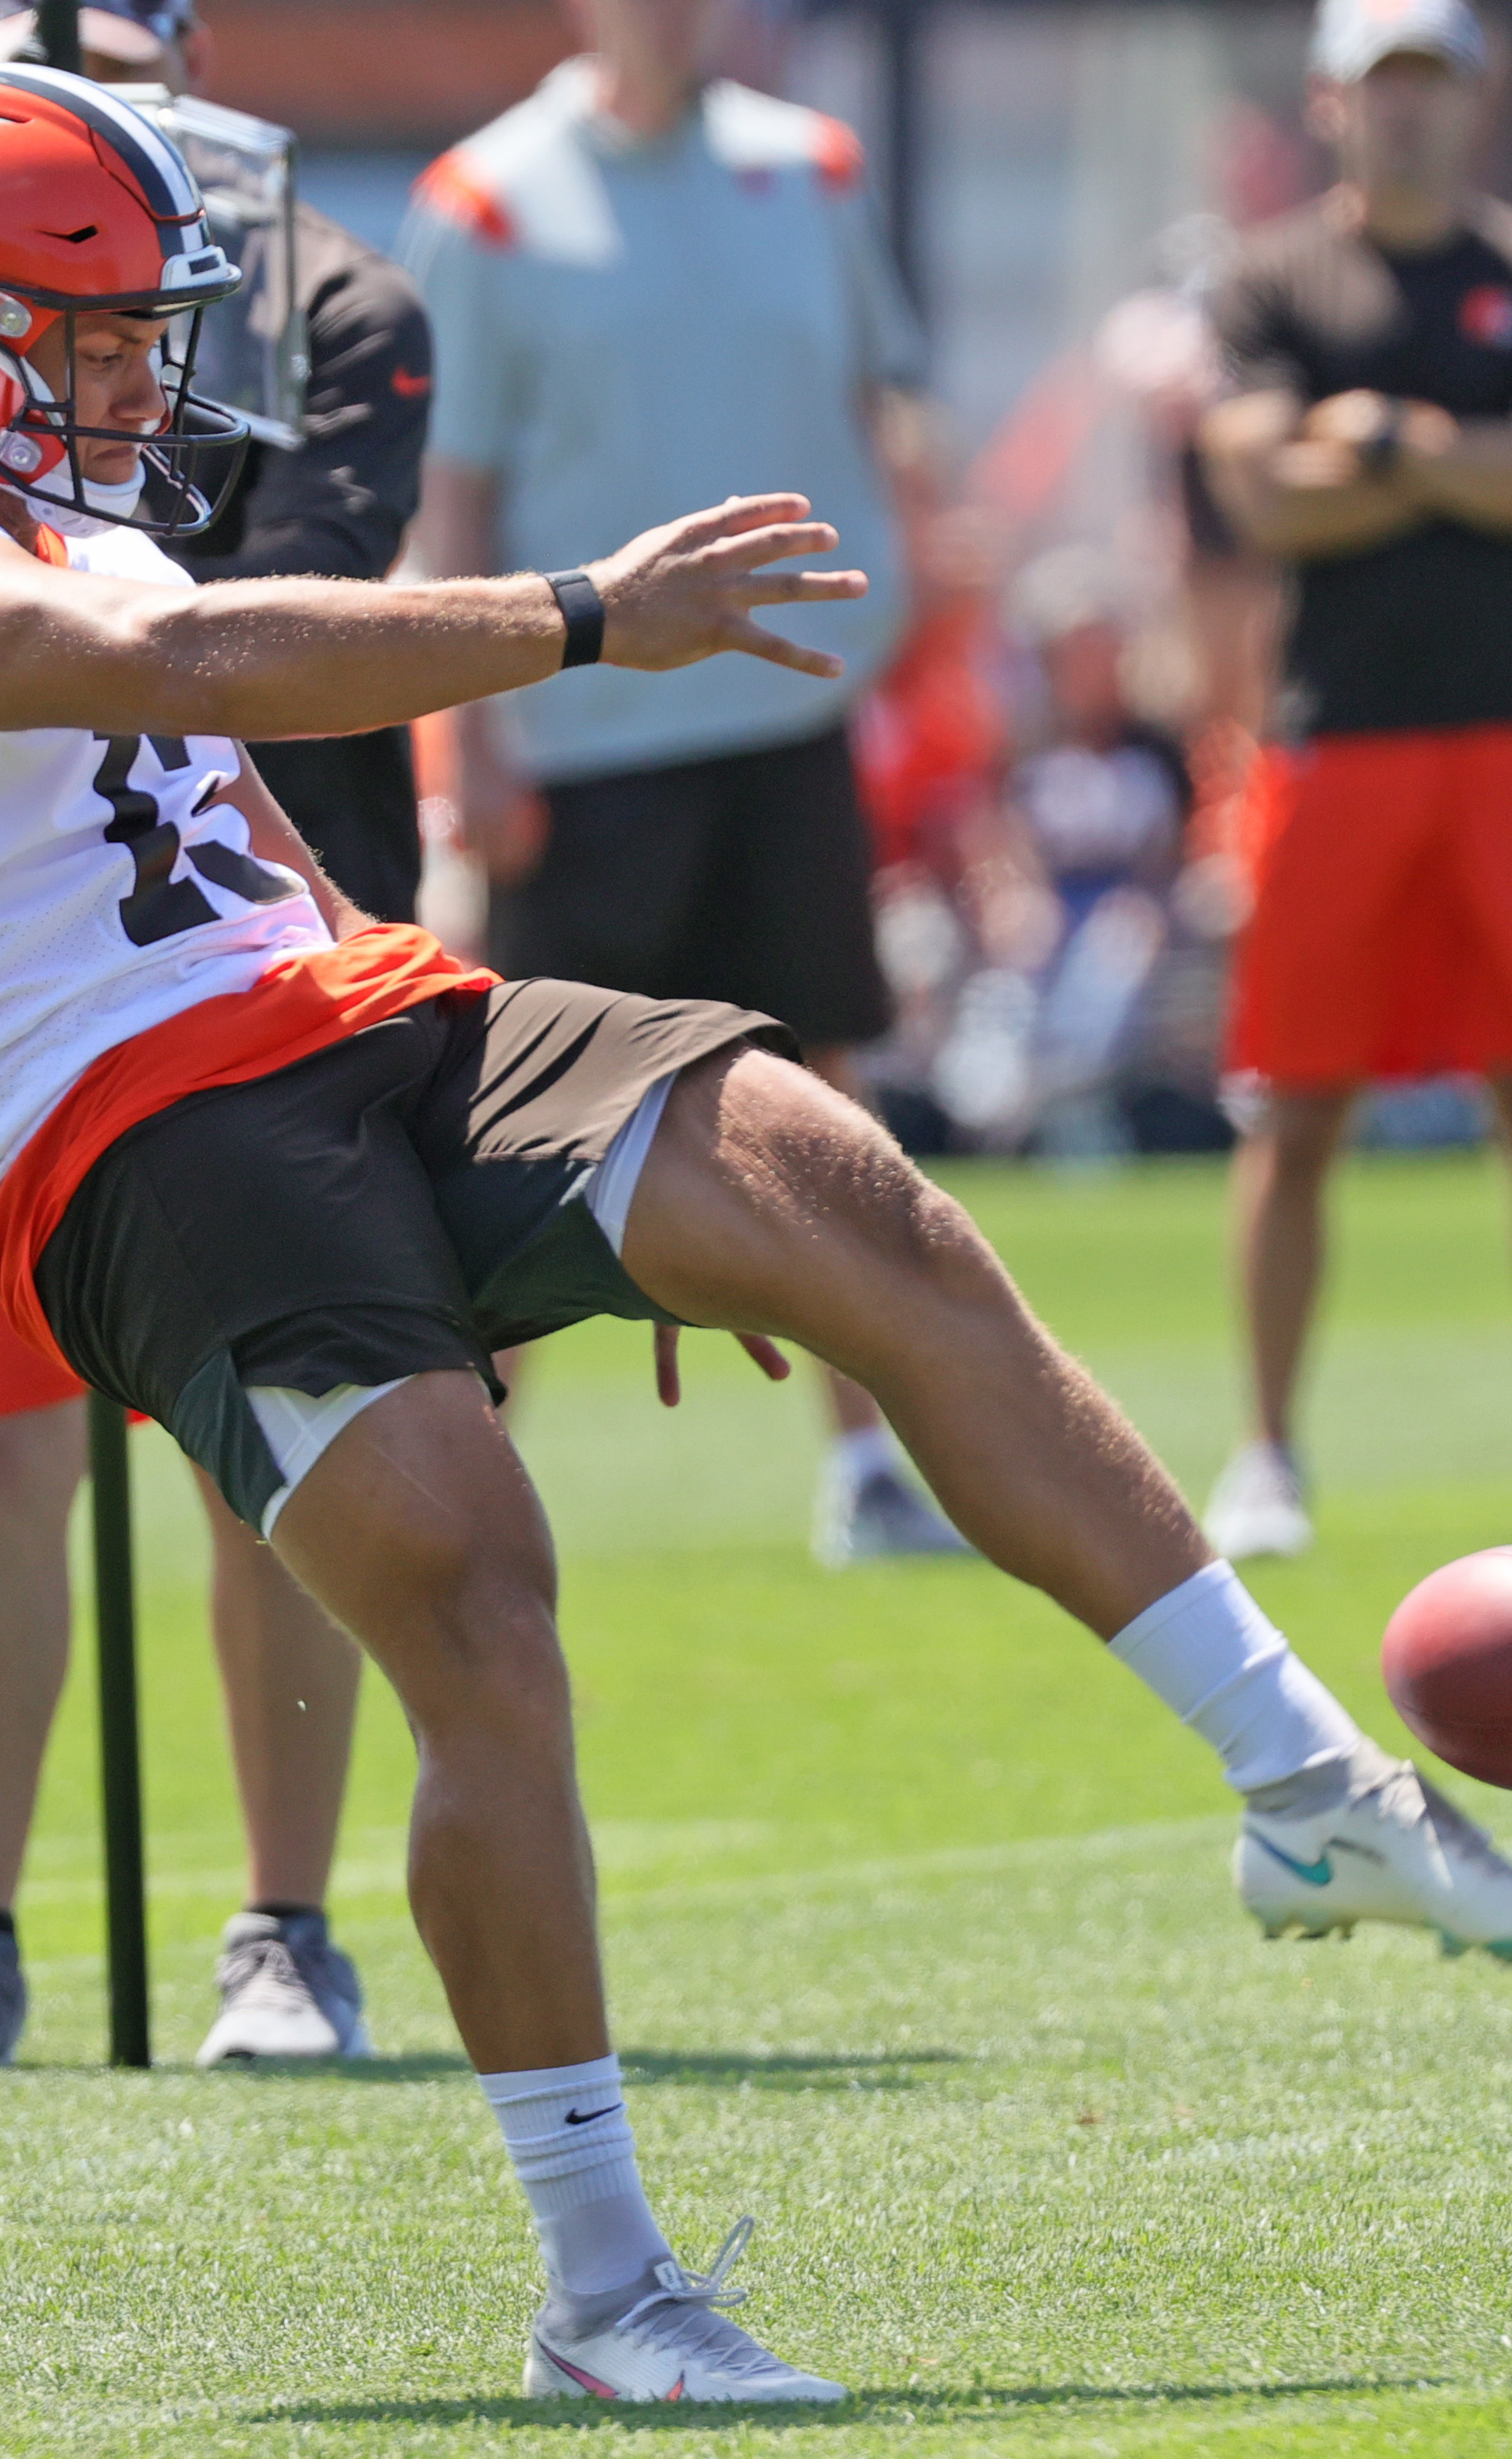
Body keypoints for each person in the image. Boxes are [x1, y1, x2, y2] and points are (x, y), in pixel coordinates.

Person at [0, 63, 1512, 2401]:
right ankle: (609, 2293)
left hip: (366, 1022)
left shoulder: (84, 526)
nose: (132, 378)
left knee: (839, 1187)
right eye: (76, 336)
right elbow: (147, 675)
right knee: (482, 1596)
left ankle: (1313, 1790)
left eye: (130, 335)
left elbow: (240, 834)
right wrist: (582, 616)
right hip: (134, 1145)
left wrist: (552, 1174)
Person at [0, 0, 431, 2075]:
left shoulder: (335, 298)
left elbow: (298, 596)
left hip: (247, 920)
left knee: (281, 1444)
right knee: (0, 1440)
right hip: (0, 954)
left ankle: (284, 1924)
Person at [402, 0, 969, 1568]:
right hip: (584, 739)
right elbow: (455, 478)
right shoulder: (491, 198)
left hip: (788, 718)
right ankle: (449, 1485)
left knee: (826, 1098)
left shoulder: (816, 168)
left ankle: (868, 1473)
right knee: (524, 1133)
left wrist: (916, 568)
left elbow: (886, 399)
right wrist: (479, 727)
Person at [1193, 0, 1512, 1562]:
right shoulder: (1274, 278)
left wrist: (1386, 443)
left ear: (1478, 100)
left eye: (1432, 85)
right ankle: (1266, 1451)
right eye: (1379, 85)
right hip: (1338, 743)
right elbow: (1266, 495)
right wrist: (1474, 459)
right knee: (1295, 1106)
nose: (1405, 113)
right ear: (1330, 102)